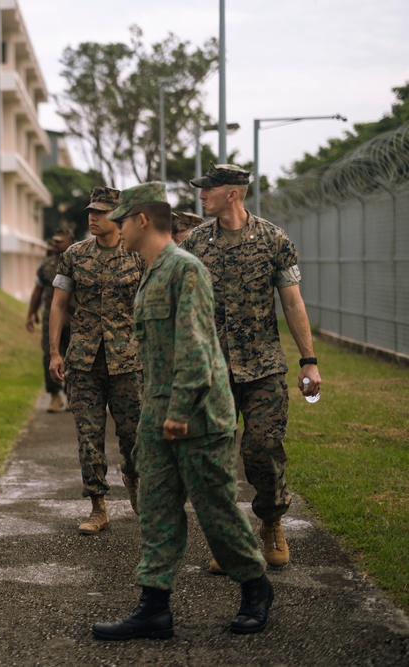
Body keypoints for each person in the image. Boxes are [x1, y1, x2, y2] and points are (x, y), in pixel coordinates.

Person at [92, 182, 272, 641]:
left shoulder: (184, 269)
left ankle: (255, 588)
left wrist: (180, 409)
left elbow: (196, 344)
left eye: (122, 219)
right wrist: (158, 415)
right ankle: (153, 608)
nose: (116, 228)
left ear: (142, 220)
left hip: (195, 415)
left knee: (216, 510)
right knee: (156, 510)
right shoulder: (152, 270)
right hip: (159, 414)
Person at [180, 164, 321, 571]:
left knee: (262, 449)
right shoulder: (195, 243)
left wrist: (309, 361)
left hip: (263, 368)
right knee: (216, 458)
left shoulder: (274, 240)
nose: (202, 196)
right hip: (213, 371)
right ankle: (230, 543)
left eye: (209, 190)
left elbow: (292, 302)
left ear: (233, 194)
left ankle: (272, 522)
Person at [48, 186, 144, 533]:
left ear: (118, 217)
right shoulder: (74, 255)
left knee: (133, 437)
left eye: (100, 212)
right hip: (85, 360)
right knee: (88, 436)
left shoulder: (137, 255)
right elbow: (58, 304)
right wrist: (55, 352)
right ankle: (98, 507)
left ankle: (134, 478)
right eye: (91, 211)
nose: (93, 217)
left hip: (129, 361)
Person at [26, 229, 75, 413]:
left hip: (75, 318)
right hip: (50, 319)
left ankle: (71, 395)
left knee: (73, 357)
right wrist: (31, 313)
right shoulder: (46, 265)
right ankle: (54, 396)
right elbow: (37, 290)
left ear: (70, 241)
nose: (55, 245)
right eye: (53, 242)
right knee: (50, 355)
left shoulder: (79, 260)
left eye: (59, 242)